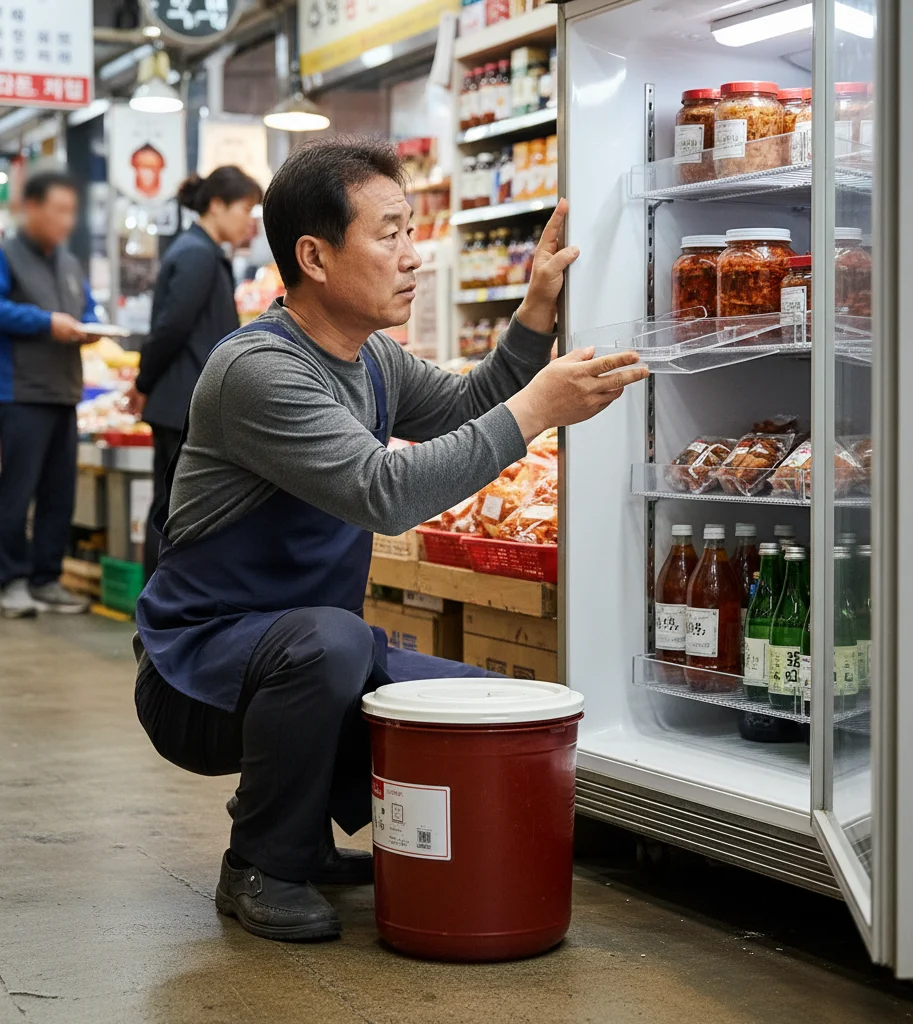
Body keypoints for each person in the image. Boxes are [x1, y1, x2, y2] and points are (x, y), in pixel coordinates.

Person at [132, 135, 647, 943]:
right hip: (195, 675)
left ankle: (302, 831)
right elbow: (387, 492)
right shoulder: (259, 371)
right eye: (390, 233)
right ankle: (261, 861)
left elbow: (466, 404)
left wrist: (535, 312)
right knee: (333, 643)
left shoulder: (370, 358)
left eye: (411, 230)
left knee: (479, 706)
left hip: (299, 655)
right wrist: (538, 410)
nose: (413, 255)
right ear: (314, 256)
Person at [125, 166, 263, 579]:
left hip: (184, 404)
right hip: (179, 407)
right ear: (217, 205)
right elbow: (171, 328)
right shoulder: (196, 255)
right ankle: (157, 603)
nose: (249, 222)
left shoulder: (203, 252)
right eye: (245, 209)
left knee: (178, 509)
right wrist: (143, 383)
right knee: (173, 511)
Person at [0, 171, 98, 619]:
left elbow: (88, 309)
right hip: (19, 394)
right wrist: (45, 322)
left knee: (59, 495)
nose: (67, 220)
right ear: (32, 208)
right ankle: (11, 580)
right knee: (16, 493)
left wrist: (91, 327)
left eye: (71, 211)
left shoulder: (69, 263)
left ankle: (46, 579)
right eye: (59, 210)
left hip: (64, 393)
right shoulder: (7, 254)